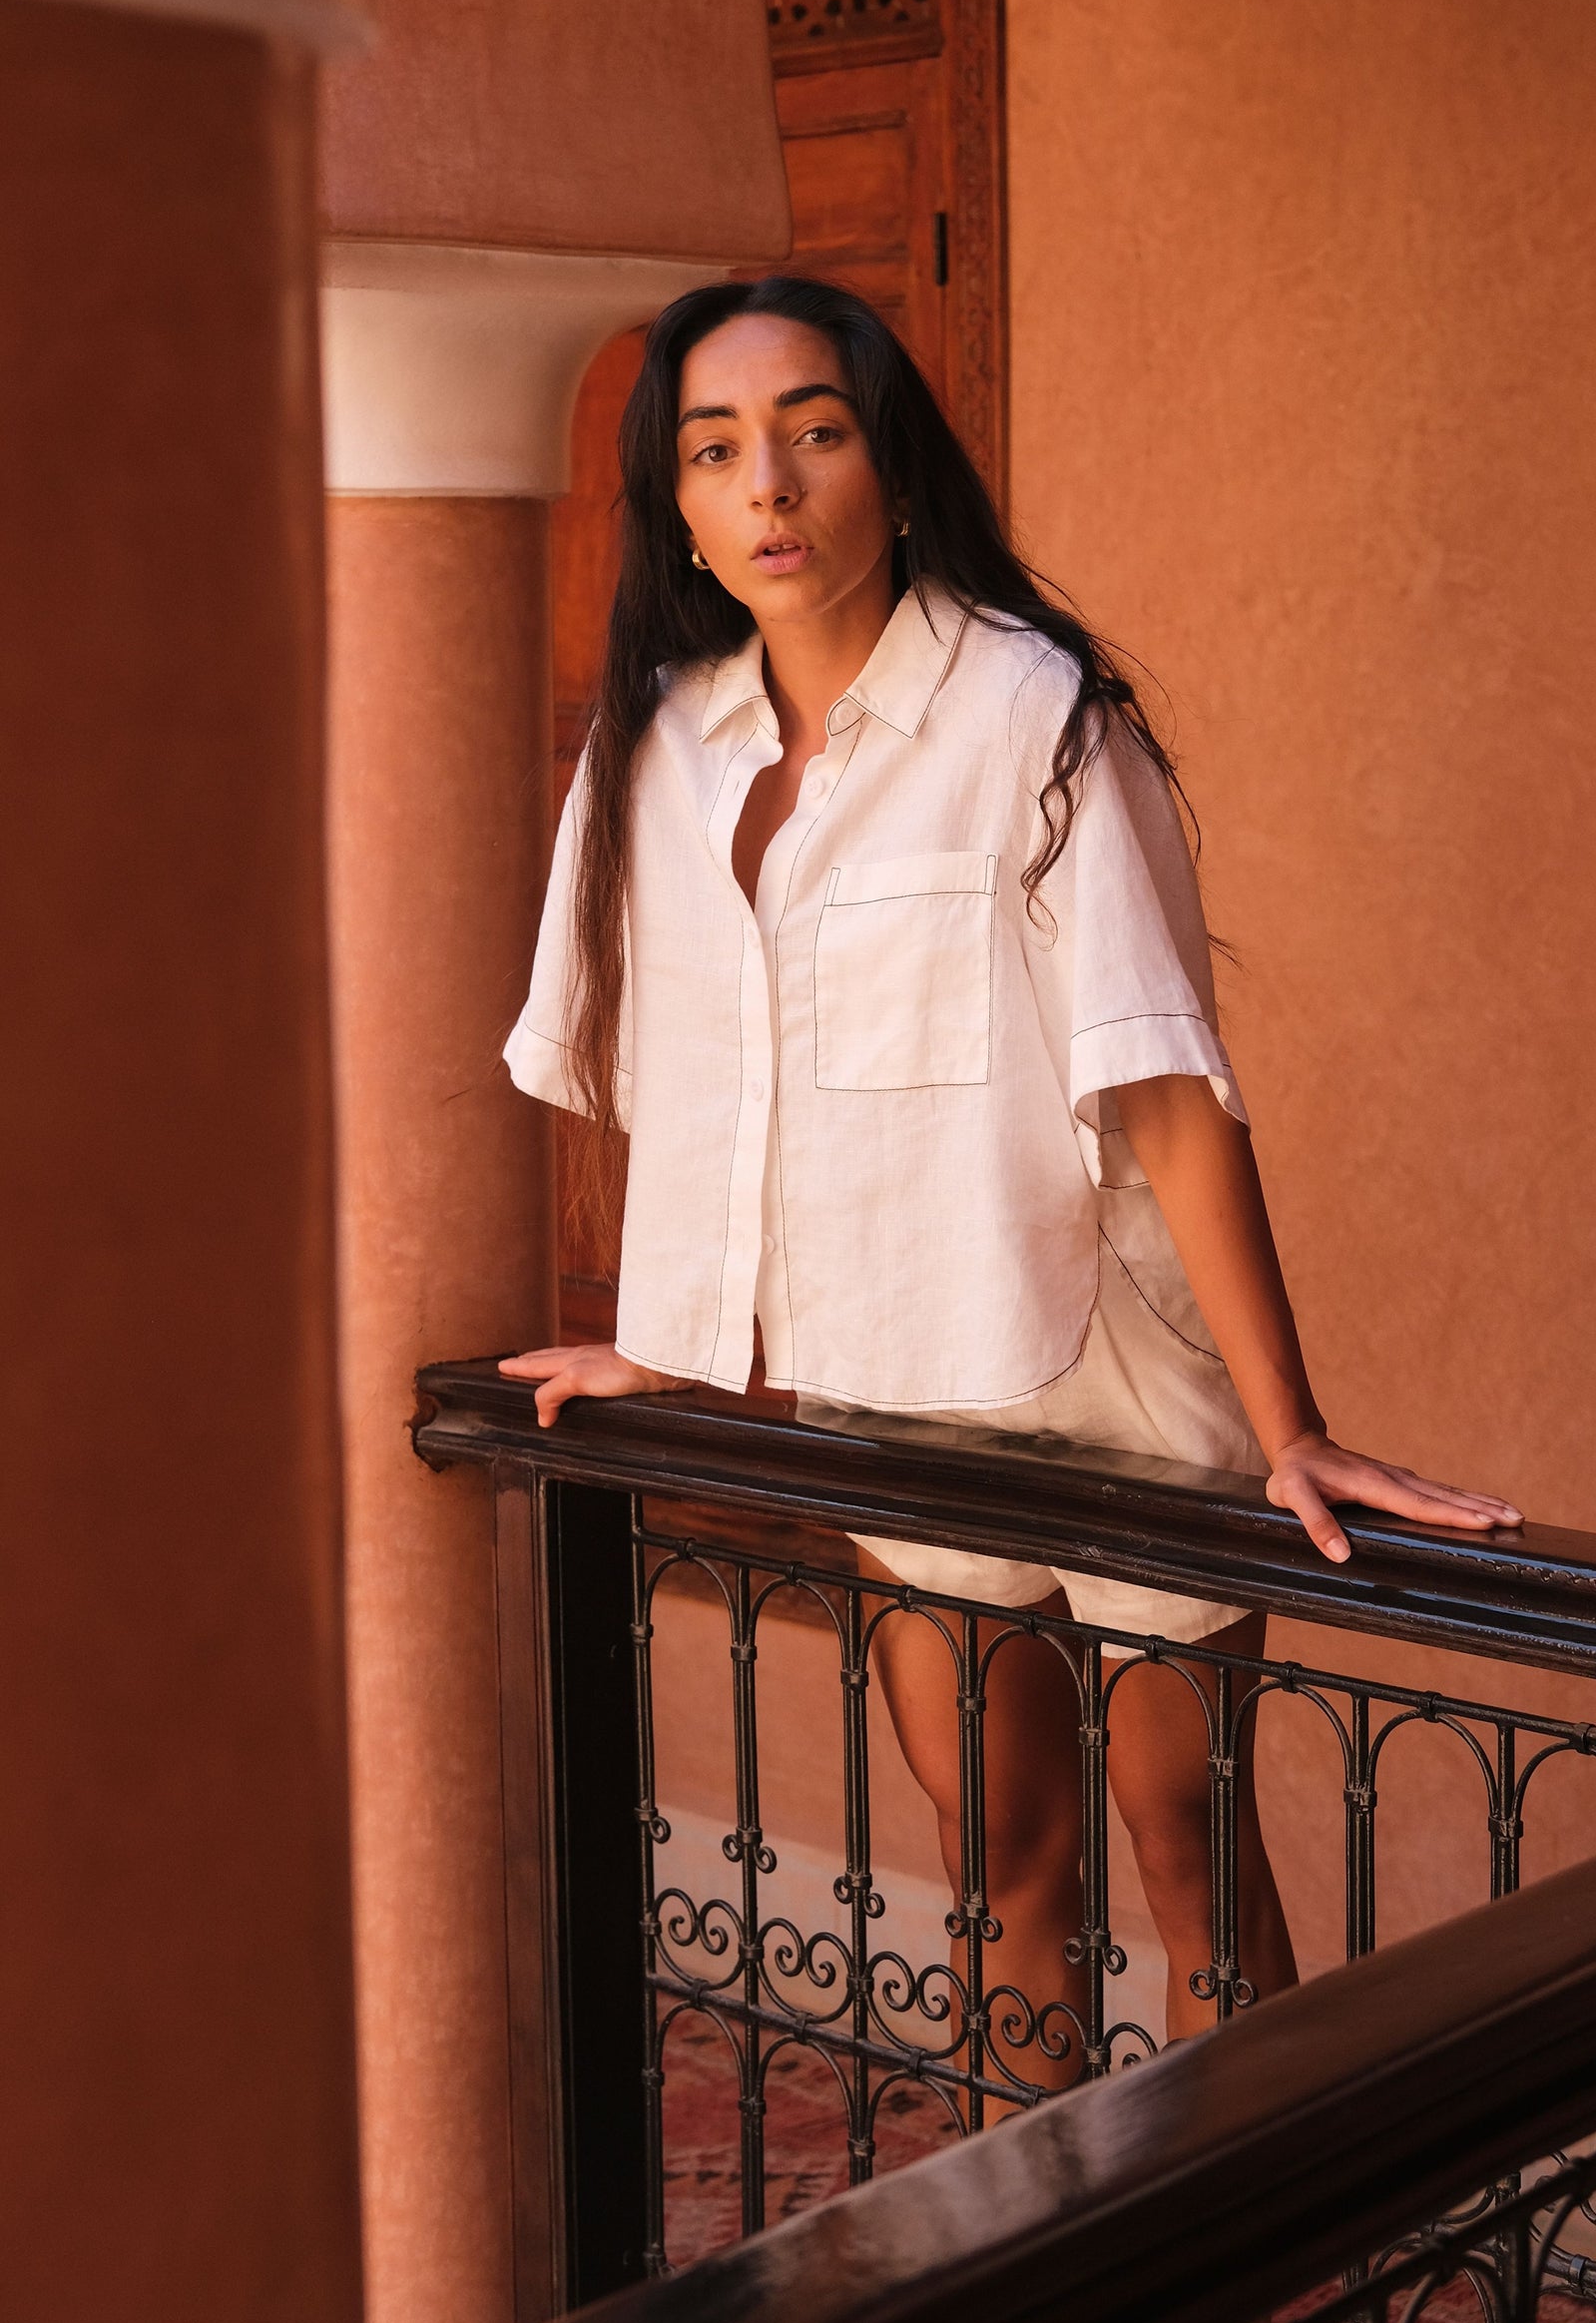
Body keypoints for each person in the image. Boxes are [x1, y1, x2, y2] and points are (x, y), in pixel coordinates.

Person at [500, 273, 1520, 2096]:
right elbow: (719, 1083)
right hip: (902, 1384)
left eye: (813, 432)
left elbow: (1168, 1091)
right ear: (675, 502)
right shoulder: (657, 758)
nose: (771, 489)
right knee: (1003, 1879)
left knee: (1194, 1879)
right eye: (718, 451)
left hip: (1107, 1375)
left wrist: (1289, 1428)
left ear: (890, 464)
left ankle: (1234, 2320)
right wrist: (666, 1341)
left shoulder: (1033, 718)